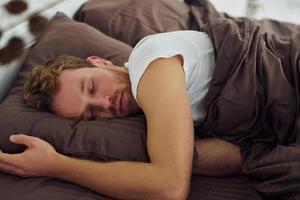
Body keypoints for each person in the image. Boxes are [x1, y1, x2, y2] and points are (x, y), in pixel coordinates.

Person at [0, 31, 242, 200]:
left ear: (100, 62)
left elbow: (170, 187)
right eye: (91, 114)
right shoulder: (150, 112)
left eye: (91, 87)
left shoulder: (150, 65)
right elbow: (242, 156)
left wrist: (55, 165)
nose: (105, 104)